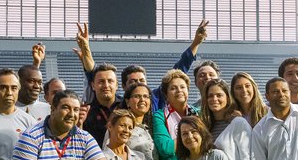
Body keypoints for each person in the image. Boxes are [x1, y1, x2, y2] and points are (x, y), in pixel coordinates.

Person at [75, 20, 209, 110]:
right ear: (123, 86)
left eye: (142, 81)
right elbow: (94, 74)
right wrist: (87, 52)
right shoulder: (119, 106)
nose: (139, 84)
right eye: (133, 82)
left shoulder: (156, 99)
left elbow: (177, 71)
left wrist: (196, 43)